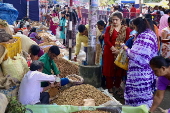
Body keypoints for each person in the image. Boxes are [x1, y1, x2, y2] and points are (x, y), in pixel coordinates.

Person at [121, 17, 158, 108]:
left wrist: (125, 48)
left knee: (138, 97)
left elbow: (136, 56)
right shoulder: (151, 34)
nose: (134, 29)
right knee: (145, 96)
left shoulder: (144, 36)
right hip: (148, 72)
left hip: (140, 74)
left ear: (138, 26)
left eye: (134, 27)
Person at [103, 12, 130, 94]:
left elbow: (127, 41)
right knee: (109, 69)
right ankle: (109, 87)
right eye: (113, 20)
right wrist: (113, 48)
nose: (114, 21)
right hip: (109, 51)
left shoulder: (126, 29)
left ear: (121, 20)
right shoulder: (108, 28)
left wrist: (119, 51)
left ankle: (117, 86)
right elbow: (106, 40)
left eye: (116, 20)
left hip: (121, 52)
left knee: (119, 69)